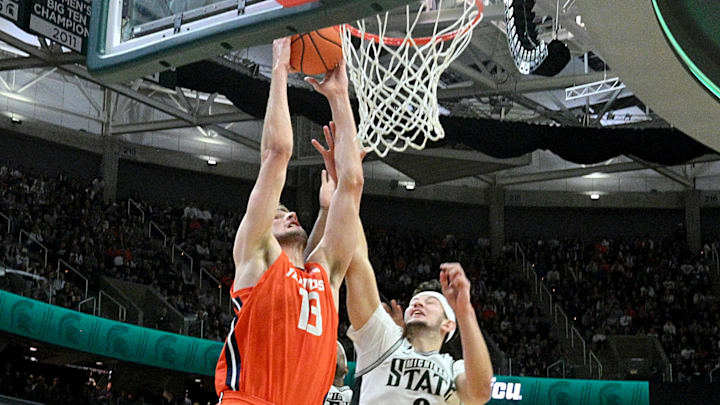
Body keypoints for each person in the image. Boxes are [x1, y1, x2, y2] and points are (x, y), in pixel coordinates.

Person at [214, 37, 364, 405]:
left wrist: (340, 97)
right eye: (279, 216)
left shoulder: (324, 277)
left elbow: (353, 183)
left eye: (290, 212)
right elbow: (277, 153)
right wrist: (279, 70)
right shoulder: (257, 258)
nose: (290, 214)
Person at [309, 129, 493, 405]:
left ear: (448, 324)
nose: (416, 304)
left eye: (429, 302)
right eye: (414, 302)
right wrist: (345, 187)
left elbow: (480, 392)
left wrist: (464, 309)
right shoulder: (382, 339)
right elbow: (357, 260)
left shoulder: (452, 368)